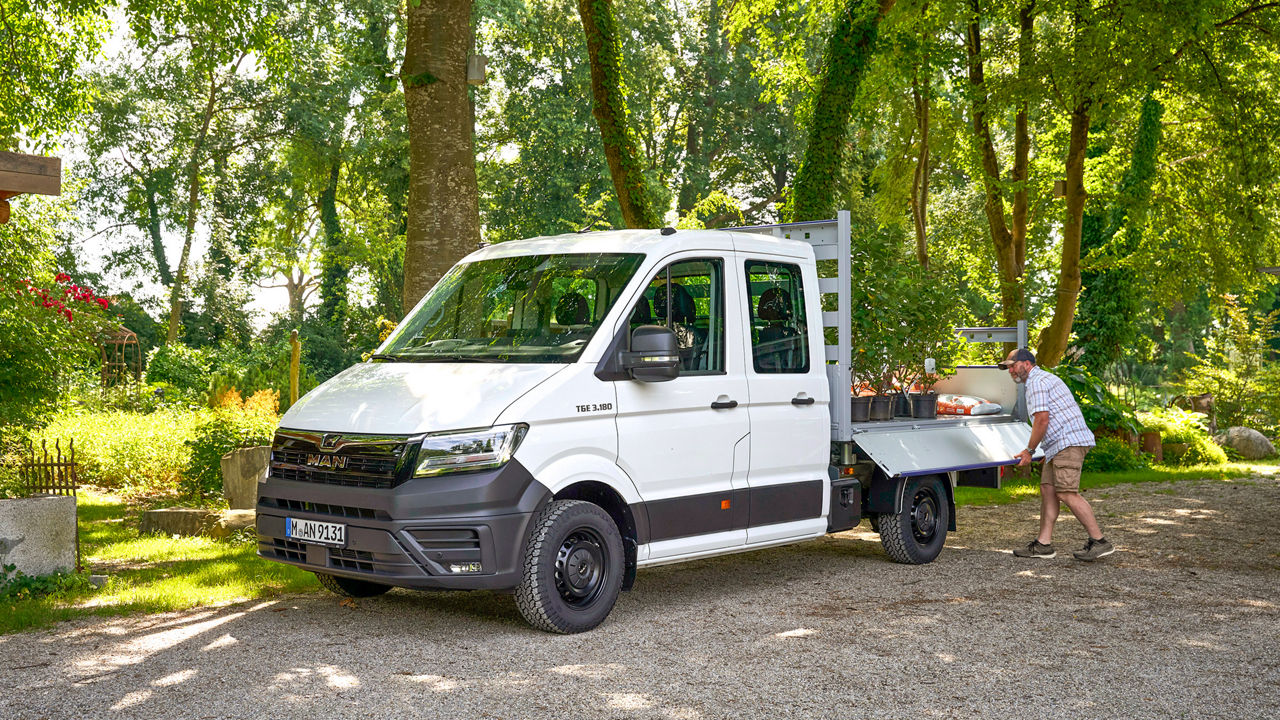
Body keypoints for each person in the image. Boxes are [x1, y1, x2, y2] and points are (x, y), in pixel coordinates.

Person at [1002, 348, 1115, 561]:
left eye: (1012, 365)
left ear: (1026, 364)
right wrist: (1049, 449)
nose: (1010, 371)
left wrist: (1030, 450)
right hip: (1059, 445)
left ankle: (1099, 541)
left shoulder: (1036, 382)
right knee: (1048, 489)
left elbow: (1042, 419)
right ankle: (1044, 544)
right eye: (1008, 367)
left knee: (1066, 493)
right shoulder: (1043, 379)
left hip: (1068, 442)